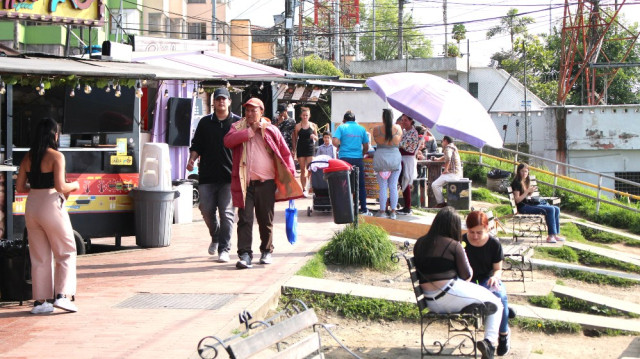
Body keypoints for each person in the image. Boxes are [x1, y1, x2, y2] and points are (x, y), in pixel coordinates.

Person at [224, 98, 303, 269]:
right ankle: (245, 254)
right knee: (245, 219)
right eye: (247, 110)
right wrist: (249, 132)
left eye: (254, 110)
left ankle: (266, 251)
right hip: (246, 182)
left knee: (265, 218)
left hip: (266, 182)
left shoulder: (271, 129)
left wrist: (289, 174)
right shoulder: (238, 127)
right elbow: (228, 141)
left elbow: (285, 152)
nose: (250, 114)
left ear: (261, 111)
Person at [413, 207, 503, 359]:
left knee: (486, 300)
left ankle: (478, 312)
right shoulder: (453, 245)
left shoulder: (420, 243)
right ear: (453, 226)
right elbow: (467, 276)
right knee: (496, 303)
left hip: (429, 301)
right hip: (450, 295)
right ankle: (489, 343)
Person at [16, 118, 80, 314]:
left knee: (39, 255)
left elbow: (19, 187)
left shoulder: (28, 157)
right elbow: (61, 187)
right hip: (51, 203)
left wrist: (36, 189)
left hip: (32, 204)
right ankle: (61, 296)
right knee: (66, 249)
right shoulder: (56, 156)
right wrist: (76, 185)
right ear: (55, 135)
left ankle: (40, 302)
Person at [187, 87, 240, 262]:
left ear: (229, 101)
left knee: (226, 213)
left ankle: (224, 248)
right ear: (214, 102)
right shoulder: (204, 122)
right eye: (218, 99)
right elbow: (197, 145)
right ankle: (215, 236)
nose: (221, 102)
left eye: (224, 99)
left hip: (229, 176)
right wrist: (192, 160)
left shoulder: (238, 123)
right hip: (207, 176)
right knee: (206, 209)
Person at [463, 211, 512, 356]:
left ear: (487, 228)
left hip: (486, 279)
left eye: (479, 232)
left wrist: (496, 278)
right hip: (468, 280)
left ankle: (503, 335)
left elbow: (498, 269)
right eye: (472, 232)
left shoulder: (494, 244)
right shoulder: (462, 242)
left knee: (500, 296)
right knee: (500, 304)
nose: (475, 236)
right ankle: (507, 313)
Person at [511, 163, 563, 243]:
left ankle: (555, 235)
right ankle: (550, 236)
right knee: (551, 209)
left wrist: (530, 192)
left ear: (528, 172)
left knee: (556, 209)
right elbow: (517, 200)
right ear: (518, 172)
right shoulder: (517, 183)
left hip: (529, 204)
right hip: (523, 207)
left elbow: (526, 196)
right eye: (522, 171)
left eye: (526, 171)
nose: (524, 173)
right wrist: (527, 191)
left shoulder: (525, 181)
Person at [332, 110, 371, 215]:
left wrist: (340, 147)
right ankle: (363, 209)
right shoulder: (361, 129)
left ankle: (345, 209)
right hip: (358, 159)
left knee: (344, 184)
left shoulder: (341, 127)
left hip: (344, 159)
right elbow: (367, 146)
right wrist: (361, 153)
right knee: (360, 184)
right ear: (354, 120)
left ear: (344, 120)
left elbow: (334, 141)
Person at [372, 109, 402, 219]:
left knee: (383, 187)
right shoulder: (398, 129)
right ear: (393, 117)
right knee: (393, 186)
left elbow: (376, 141)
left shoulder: (377, 129)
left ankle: (382, 211)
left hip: (381, 159)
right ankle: (393, 212)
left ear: (383, 117)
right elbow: (399, 141)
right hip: (395, 158)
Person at [293, 107, 319, 196]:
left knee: (310, 169)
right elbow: (295, 138)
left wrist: (314, 137)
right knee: (303, 170)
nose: (305, 117)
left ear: (309, 116)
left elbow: (317, 137)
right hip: (301, 148)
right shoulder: (297, 126)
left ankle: (310, 186)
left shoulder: (313, 125)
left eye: (306, 115)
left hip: (310, 148)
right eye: (303, 115)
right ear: (301, 116)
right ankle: (304, 188)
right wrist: (294, 150)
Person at [432, 136, 463, 208]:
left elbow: (448, 157)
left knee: (434, 185)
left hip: (452, 174)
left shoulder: (448, 147)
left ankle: (441, 203)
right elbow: (446, 157)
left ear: (445, 141)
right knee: (438, 184)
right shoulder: (453, 147)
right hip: (457, 174)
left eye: (442, 141)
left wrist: (446, 169)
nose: (442, 143)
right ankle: (441, 202)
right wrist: (438, 159)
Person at [398, 114, 419, 215]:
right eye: (402, 120)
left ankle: (407, 207)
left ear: (411, 121)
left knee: (405, 182)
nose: (403, 122)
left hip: (408, 159)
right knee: (402, 182)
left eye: (405, 120)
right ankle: (406, 205)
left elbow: (402, 145)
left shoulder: (413, 133)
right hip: (402, 158)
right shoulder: (405, 132)